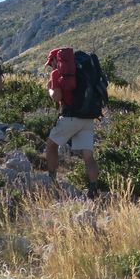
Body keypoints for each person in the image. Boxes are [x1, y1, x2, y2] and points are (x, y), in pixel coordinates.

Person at [44, 47, 100, 189]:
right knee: (88, 156)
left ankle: (52, 180)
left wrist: (50, 89)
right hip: (88, 118)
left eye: (51, 63)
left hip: (70, 117)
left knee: (51, 146)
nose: (51, 66)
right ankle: (93, 189)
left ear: (57, 60)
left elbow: (57, 97)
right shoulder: (82, 71)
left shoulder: (57, 74)